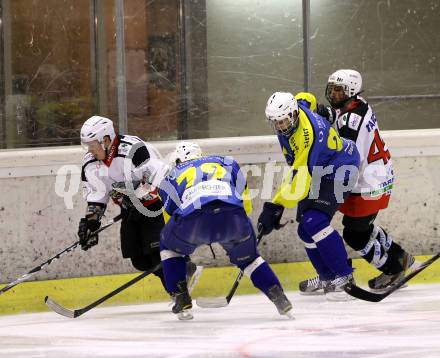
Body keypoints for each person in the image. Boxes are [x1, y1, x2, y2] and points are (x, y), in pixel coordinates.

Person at [298, 69, 416, 294]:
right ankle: (401, 258)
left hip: (367, 184)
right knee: (362, 226)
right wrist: (324, 113)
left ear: (351, 92)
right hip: (378, 176)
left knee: (355, 234)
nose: (333, 94)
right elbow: (342, 116)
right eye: (332, 88)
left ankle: (393, 269)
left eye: (339, 90)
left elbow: (347, 153)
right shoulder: (359, 103)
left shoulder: (351, 120)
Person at [156, 141, 293, 320]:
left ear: (179, 159)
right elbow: (246, 206)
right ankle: (279, 297)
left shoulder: (170, 176)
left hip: (193, 218)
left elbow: (171, 221)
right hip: (232, 215)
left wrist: (183, 253)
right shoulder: (227, 163)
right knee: (250, 260)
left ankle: (182, 299)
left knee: (168, 247)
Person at [78, 115, 199, 297]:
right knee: (139, 260)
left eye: (92, 144)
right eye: (87, 145)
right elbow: (97, 194)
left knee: (157, 254)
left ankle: (178, 293)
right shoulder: (89, 163)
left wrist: (138, 195)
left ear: (106, 139)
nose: (89, 150)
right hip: (129, 211)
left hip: (155, 206)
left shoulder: (134, 149)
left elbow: (160, 178)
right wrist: (91, 222)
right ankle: (186, 269)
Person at [257, 91, 361, 301]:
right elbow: (306, 97)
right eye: (276, 122)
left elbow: (301, 180)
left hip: (342, 167)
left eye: (284, 121)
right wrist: (319, 108)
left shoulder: (309, 137)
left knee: (315, 222)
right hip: (322, 168)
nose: (280, 127)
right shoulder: (296, 108)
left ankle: (345, 277)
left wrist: (275, 206)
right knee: (305, 230)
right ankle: (328, 278)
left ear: (294, 114)